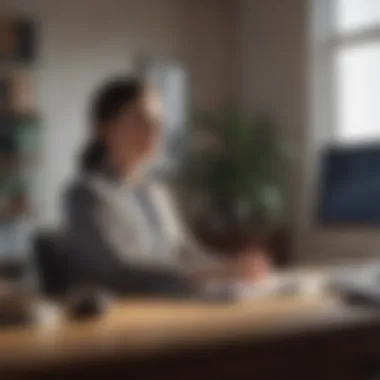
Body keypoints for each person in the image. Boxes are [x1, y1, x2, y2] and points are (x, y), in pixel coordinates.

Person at [63, 76, 269, 298]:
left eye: (159, 120)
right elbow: (118, 271)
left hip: (180, 302)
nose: (155, 129)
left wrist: (235, 266)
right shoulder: (86, 194)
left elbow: (185, 251)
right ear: (105, 128)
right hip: (133, 313)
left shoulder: (157, 191)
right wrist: (212, 273)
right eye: (141, 120)